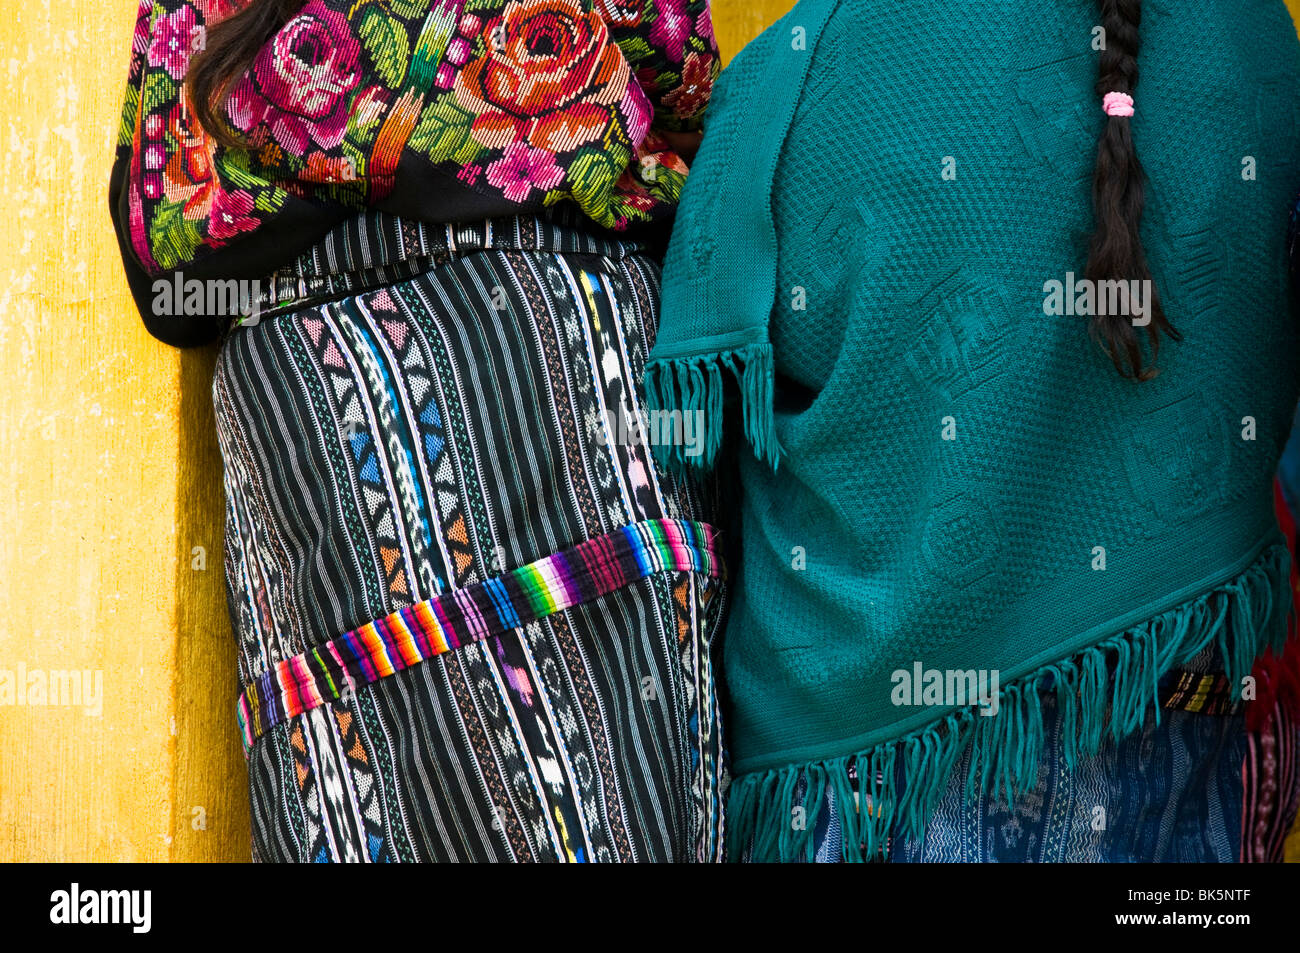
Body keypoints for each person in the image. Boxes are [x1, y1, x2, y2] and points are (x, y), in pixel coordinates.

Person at [648, 0, 1300, 861]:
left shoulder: (802, 73)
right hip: (1197, 719)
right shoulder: (1255, 34)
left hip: (885, 776)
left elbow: (699, 419)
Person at [109, 0, 728, 863]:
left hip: (317, 397)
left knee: (364, 792)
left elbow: (161, 228)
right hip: (549, 348)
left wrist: (340, 141)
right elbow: (681, 71)